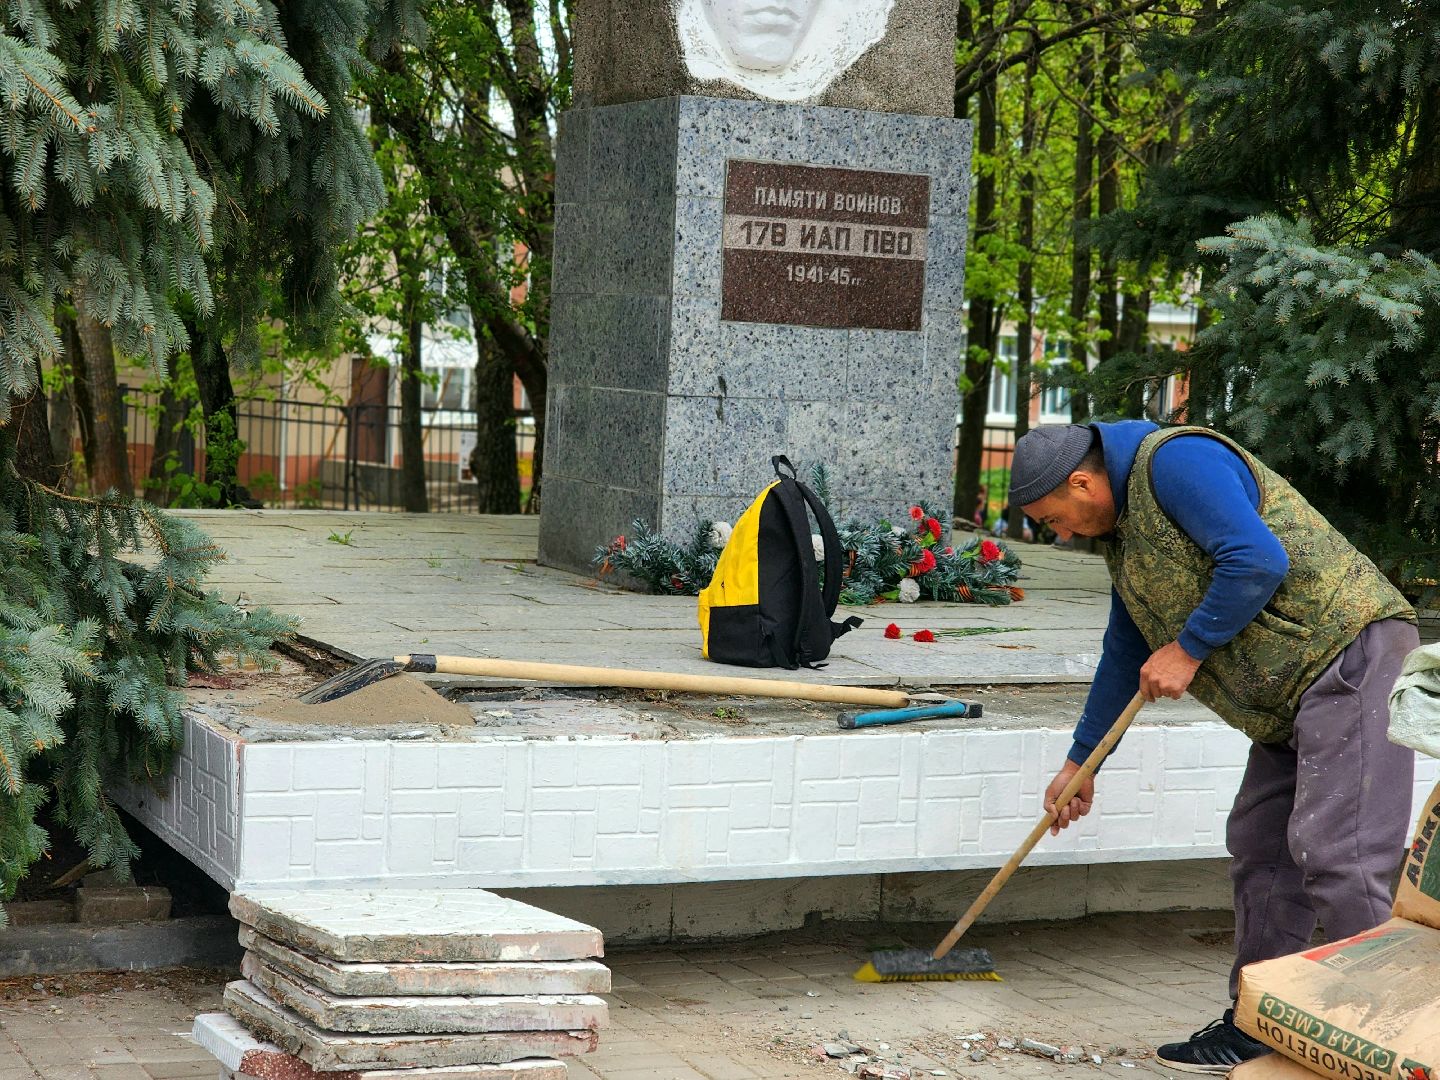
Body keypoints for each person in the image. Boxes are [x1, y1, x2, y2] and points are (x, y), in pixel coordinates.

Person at [1009, 421, 1417, 1073]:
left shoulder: (1177, 461)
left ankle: (1392, 1037)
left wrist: (1189, 648)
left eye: (1053, 519)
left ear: (1082, 483)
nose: (1058, 535)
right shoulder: (1123, 534)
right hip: (1289, 691)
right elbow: (1126, 647)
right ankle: (1261, 1023)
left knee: (1340, 853)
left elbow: (1256, 559)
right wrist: (1081, 763)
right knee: (1262, 846)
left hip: (1350, 656)